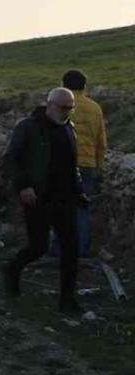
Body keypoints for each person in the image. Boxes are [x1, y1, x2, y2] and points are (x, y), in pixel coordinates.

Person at [1, 87, 87, 315]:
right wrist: (23, 186)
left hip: (65, 199)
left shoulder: (70, 129)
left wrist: (79, 191)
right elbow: (10, 160)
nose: (67, 112)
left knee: (71, 249)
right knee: (38, 247)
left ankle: (67, 300)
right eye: (63, 108)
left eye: (71, 108)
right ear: (49, 105)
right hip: (38, 198)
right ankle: (12, 269)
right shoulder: (28, 127)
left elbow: (72, 165)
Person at [60, 69, 107, 257]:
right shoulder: (95, 108)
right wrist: (99, 166)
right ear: (84, 86)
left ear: (63, 85)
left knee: (60, 206)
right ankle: (80, 250)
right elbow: (101, 141)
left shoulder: (60, 104)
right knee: (82, 208)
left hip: (62, 163)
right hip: (87, 164)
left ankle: (59, 249)